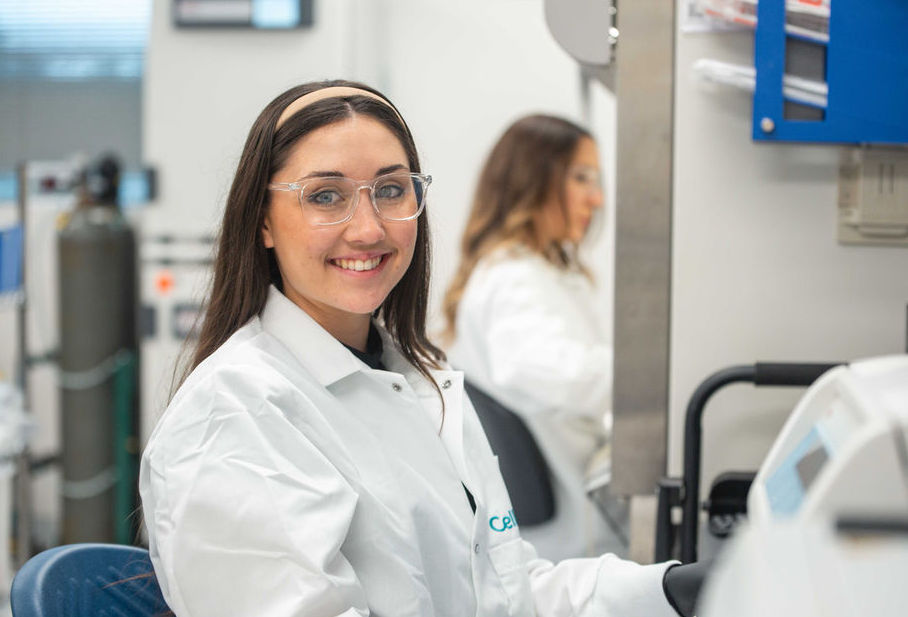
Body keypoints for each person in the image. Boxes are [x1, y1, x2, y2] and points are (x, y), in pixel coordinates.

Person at [139, 80, 693, 617]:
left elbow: (505, 591)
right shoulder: (236, 416)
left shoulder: (419, 381)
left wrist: (671, 591)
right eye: (325, 196)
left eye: (391, 190)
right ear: (262, 219)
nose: (368, 229)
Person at [442, 114, 615, 562]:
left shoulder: (532, 271)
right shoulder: (512, 278)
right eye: (581, 178)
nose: (596, 198)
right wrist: (650, 371)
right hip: (573, 538)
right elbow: (549, 371)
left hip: (577, 519)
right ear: (531, 180)